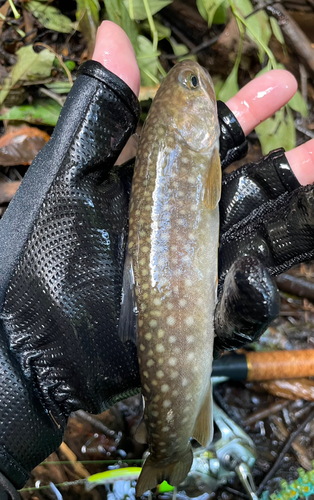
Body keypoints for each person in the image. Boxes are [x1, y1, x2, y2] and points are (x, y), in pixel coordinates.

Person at [0, 20, 313, 500]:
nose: (197, 80)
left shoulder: (187, 145)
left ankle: (166, 443)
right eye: (193, 85)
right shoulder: (191, 149)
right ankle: (167, 446)